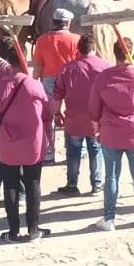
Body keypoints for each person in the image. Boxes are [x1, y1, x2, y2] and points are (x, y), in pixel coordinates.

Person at [0, 39, 51, 243]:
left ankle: (14, 231)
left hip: (7, 144)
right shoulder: (35, 86)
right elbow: (47, 115)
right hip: (33, 143)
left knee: (10, 186)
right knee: (33, 183)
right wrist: (49, 138)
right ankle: (33, 229)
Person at [89, 37, 134, 230]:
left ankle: (109, 218)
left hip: (111, 132)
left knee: (111, 175)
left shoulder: (104, 77)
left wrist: (96, 127)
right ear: (130, 53)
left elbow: (94, 108)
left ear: (115, 54)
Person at [53, 33, 109, 197]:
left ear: (78, 49)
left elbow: (57, 93)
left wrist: (56, 113)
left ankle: (72, 184)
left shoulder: (68, 68)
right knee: (95, 150)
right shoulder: (104, 67)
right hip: (96, 119)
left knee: (73, 152)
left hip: (73, 118)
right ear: (94, 48)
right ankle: (96, 184)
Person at [31, 10, 79, 165]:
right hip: (71, 79)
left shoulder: (42, 40)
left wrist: (34, 81)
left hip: (50, 79)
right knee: (73, 113)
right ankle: (76, 150)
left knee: (49, 117)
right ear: (68, 23)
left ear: (53, 21)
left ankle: (49, 153)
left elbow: (38, 65)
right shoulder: (76, 39)